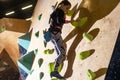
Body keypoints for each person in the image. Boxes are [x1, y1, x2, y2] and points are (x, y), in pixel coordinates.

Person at [48, 0, 71, 79]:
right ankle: (55, 71)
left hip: (52, 34)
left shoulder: (57, 11)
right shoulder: (60, 11)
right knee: (63, 53)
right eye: (67, 8)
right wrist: (70, 21)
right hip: (55, 34)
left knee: (59, 49)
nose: (67, 11)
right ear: (63, 5)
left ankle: (59, 60)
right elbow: (59, 21)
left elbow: (54, 16)